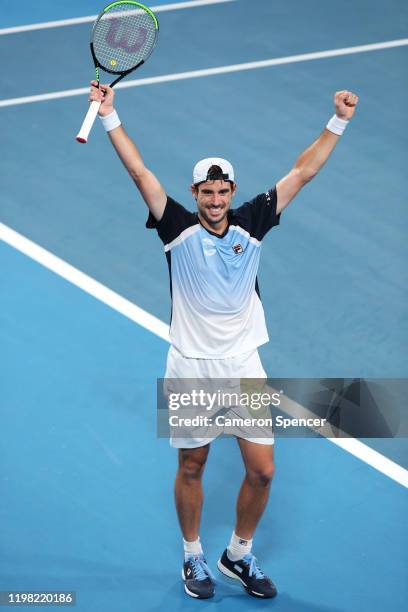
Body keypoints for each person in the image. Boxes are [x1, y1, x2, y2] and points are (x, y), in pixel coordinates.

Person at [88, 81, 358, 599]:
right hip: (190, 366)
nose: (214, 200)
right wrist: (109, 116)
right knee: (193, 464)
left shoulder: (254, 221)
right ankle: (192, 557)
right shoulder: (177, 229)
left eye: (222, 191)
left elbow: (304, 171)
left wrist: (338, 121)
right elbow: (138, 171)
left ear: (233, 192)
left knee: (263, 472)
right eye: (205, 193)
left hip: (244, 365)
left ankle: (237, 554)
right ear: (194, 195)